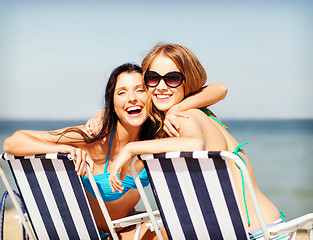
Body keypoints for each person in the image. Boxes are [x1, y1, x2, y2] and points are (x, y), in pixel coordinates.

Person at [3, 62, 227, 239]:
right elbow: (13, 143)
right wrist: (65, 150)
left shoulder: (157, 138)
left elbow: (219, 89)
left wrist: (177, 107)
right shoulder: (93, 137)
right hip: (93, 233)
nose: (132, 98)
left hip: (131, 229)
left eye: (140, 90)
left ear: (151, 96)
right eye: (121, 92)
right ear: (112, 102)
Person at [109, 44, 289, 240]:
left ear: (188, 81)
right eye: (153, 78)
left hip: (256, 234)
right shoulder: (191, 113)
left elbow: (195, 143)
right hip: (263, 229)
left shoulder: (187, 116)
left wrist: (131, 148)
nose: (161, 86)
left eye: (172, 78)